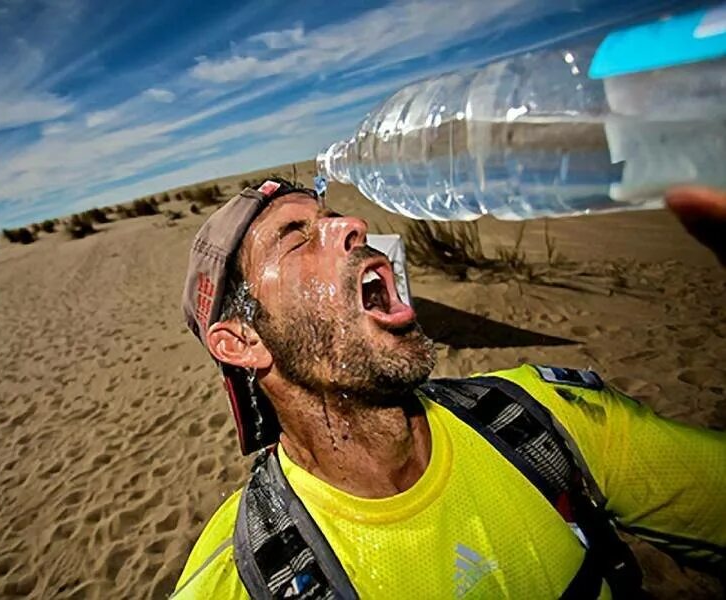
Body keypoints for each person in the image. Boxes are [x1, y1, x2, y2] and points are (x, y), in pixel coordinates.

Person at [173, 178, 725, 599]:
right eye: (296, 239)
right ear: (242, 341)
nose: (353, 225)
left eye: (334, 217)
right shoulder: (244, 571)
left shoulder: (541, 419)